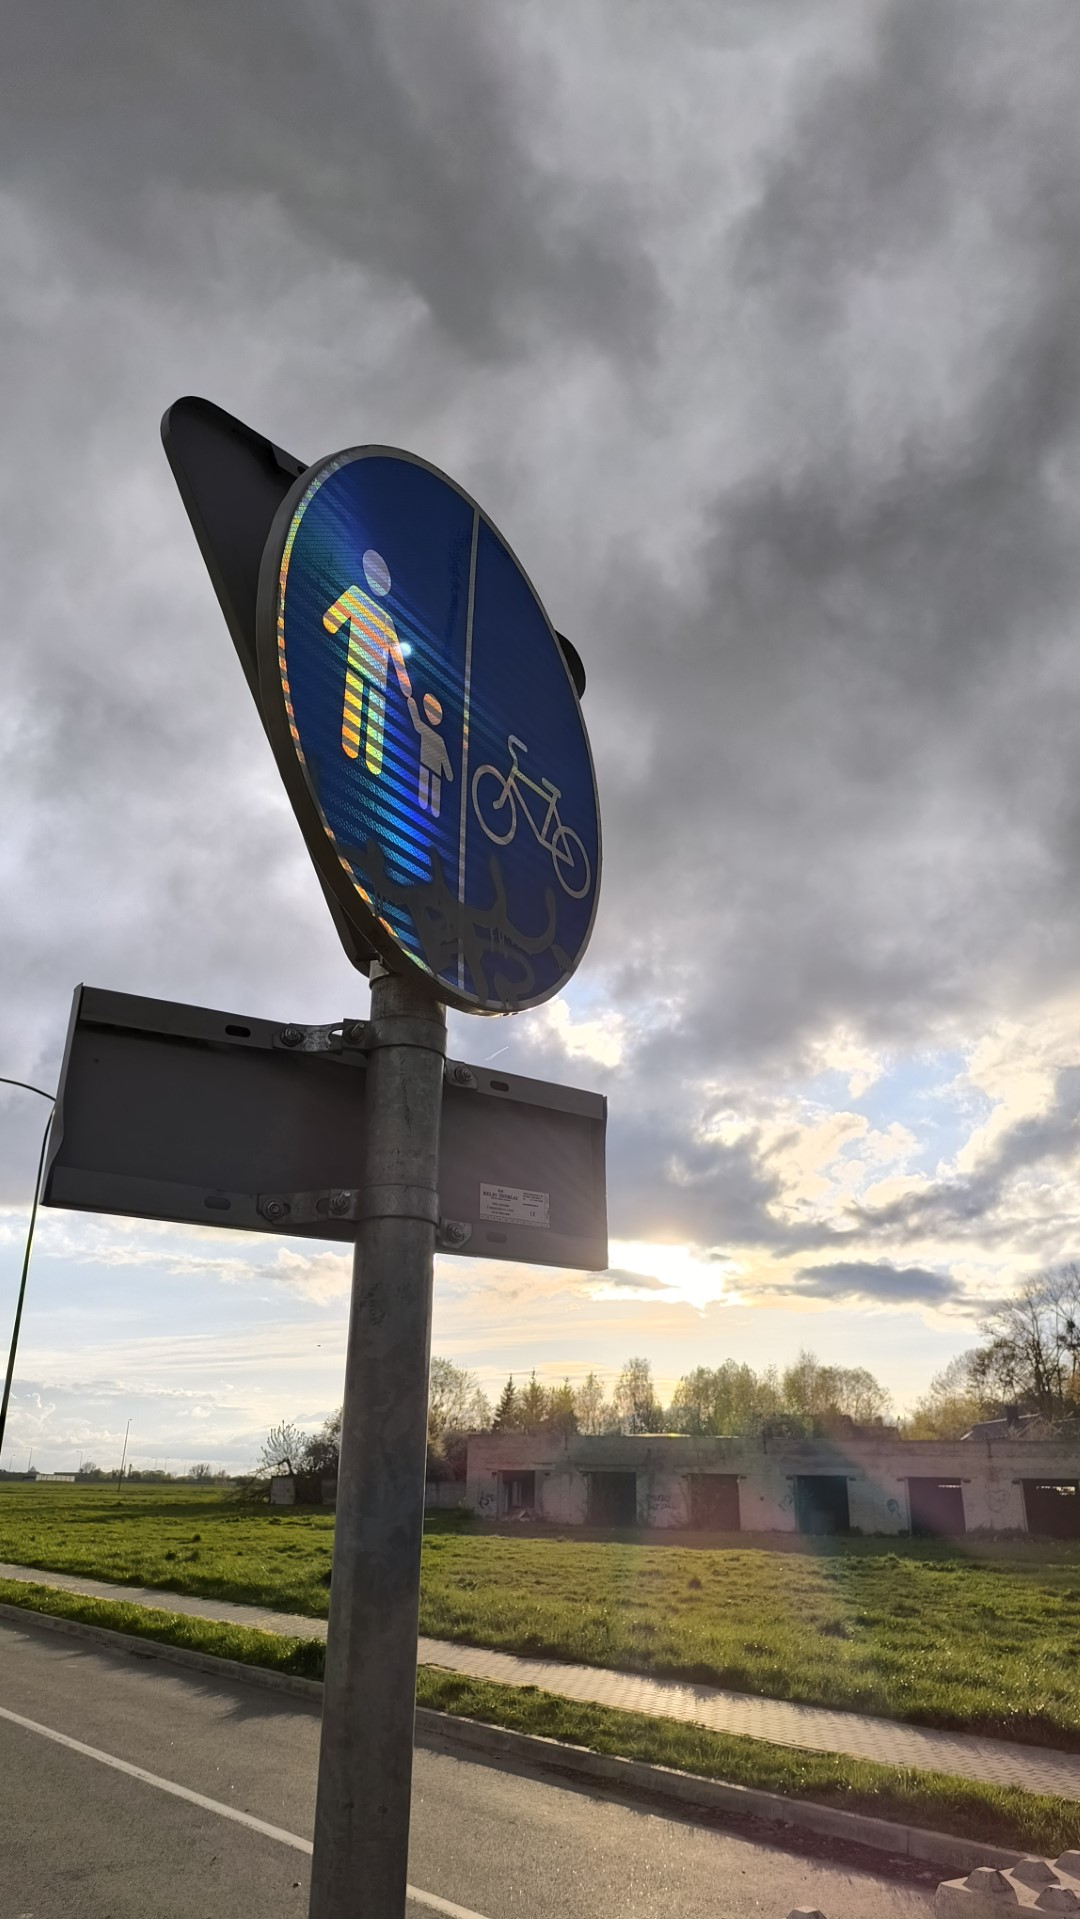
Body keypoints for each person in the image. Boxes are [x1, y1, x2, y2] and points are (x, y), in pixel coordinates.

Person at [323, 548, 412, 777]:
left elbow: (331, 621)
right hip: (365, 671)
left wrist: (404, 683)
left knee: (368, 715)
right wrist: (404, 685)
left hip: (366, 672)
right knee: (363, 714)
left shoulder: (379, 614)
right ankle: (360, 756)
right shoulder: (362, 602)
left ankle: (364, 757)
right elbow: (330, 620)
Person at [406, 691, 453, 818]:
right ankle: (426, 807)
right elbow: (417, 724)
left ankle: (431, 809)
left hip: (431, 766)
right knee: (426, 786)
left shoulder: (438, 738)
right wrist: (412, 705)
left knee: (433, 789)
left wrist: (448, 774)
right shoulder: (435, 736)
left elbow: (444, 756)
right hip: (427, 764)